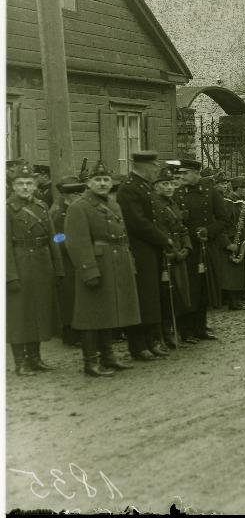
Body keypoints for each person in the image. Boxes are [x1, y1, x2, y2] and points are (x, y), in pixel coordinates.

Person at [64, 161, 138, 376]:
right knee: (91, 317)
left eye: (106, 179)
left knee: (108, 313)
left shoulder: (114, 205)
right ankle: (90, 362)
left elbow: (123, 238)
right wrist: (89, 270)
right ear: (88, 183)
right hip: (96, 266)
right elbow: (76, 242)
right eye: (98, 180)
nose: (103, 183)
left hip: (115, 264)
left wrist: (129, 262)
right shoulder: (79, 207)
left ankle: (108, 357)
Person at [6, 163, 65, 375]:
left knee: (39, 312)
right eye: (20, 183)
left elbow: (53, 239)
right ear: (13, 186)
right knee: (19, 315)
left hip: (42, 264)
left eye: (29, 183)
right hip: (20, 264)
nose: (25, 187)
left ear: (34, 185)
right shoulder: (7, 210)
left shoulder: (41, 207)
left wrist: (58, 268)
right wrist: (10, 276)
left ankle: (36, 358)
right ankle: (20, 362)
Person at [116, 150, 175, 360]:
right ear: (142, 166)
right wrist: (163, 239)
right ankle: (138, 345)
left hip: (150, 249)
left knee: (152, 298)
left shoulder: (144, 188)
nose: (156, 170)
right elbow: (137, 223)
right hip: (138, 250)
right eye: (153, 166)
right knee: (141, 298)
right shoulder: (129, 190)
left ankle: (151, 341)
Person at [174, 159, 226, 342]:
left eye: (185, 173)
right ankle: (185, 330)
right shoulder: (176, 194)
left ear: (196, 174)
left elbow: (224, 219)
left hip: (205, 247)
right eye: (180, 174)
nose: (181, 177)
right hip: (186, 248)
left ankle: (200, 327)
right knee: (189, 288)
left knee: (204, 287)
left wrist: (208, 231)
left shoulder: (210, 193)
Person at [152, 167, 192, 348]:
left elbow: (182, 228)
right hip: (167, 255)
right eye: (164, 184)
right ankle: (164, 333)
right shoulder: (155, 206)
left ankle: (176, 330)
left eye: (170, 184)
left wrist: (187, 247)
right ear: (156, 187)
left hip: (179, 253)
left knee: (179, 293)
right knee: (166, 295)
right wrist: (175, 252)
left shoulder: (173, 203)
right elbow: (160, 232)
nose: (169, 187)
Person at [49, 175, 87, 347]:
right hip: (67, 261)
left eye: (80, 193)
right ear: (68, 196)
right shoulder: (59, 214)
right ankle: (70, 335)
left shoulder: (76, 210)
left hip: (77, 259)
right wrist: (73, 243)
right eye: (76, 194)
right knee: (68, 299)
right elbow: (57, 238)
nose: (79, 197)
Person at [219, 176, 245, 310]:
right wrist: (229, 242)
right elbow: (223, 225)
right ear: (238, 188)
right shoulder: (227, 203)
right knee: (233, 273)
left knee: (240, 271)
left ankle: (237, 299)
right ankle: (232, 302)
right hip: (233, 240)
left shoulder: (241, 202)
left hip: (242, 239)